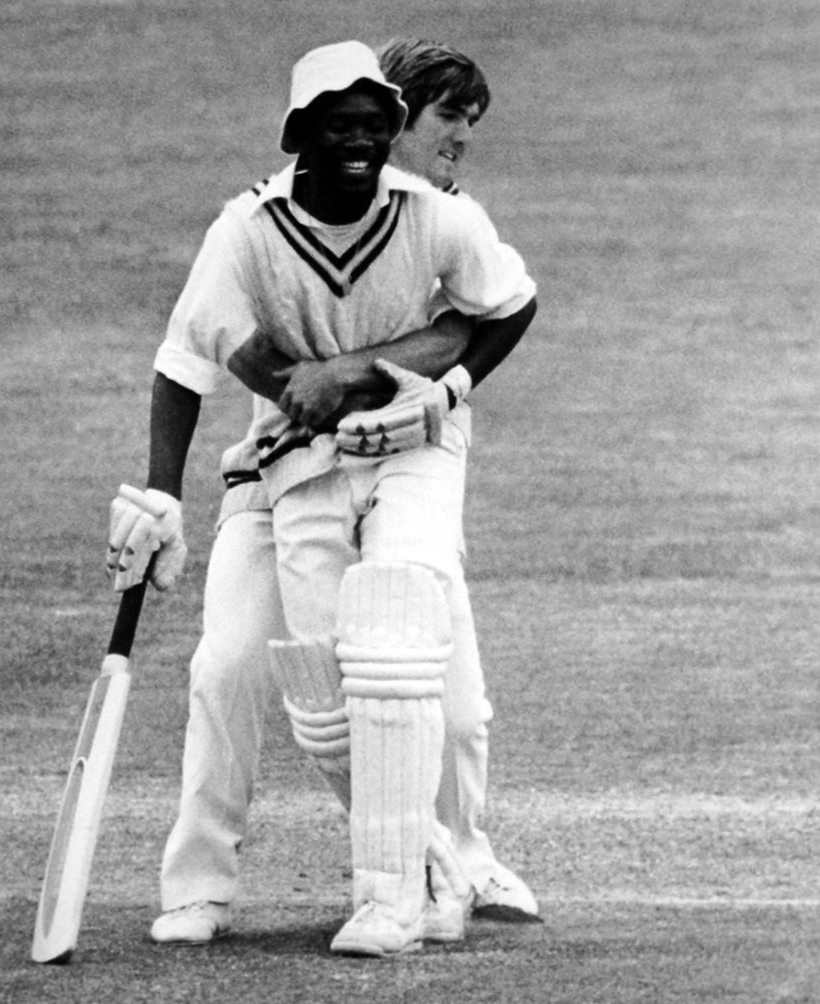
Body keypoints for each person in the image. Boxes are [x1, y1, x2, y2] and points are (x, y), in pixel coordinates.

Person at [108, 40, 538, 956]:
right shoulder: (257, 225)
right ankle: (207, 884)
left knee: (440, 698)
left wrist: (365, 378)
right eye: (449, 120)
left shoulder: (439, 216)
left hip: (405, 458)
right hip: (282, 473)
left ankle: (455, 858)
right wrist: (161, 491)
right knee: (233, 672)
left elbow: (476, 319)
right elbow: (199, 351)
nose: (460, 140)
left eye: (377, 127)